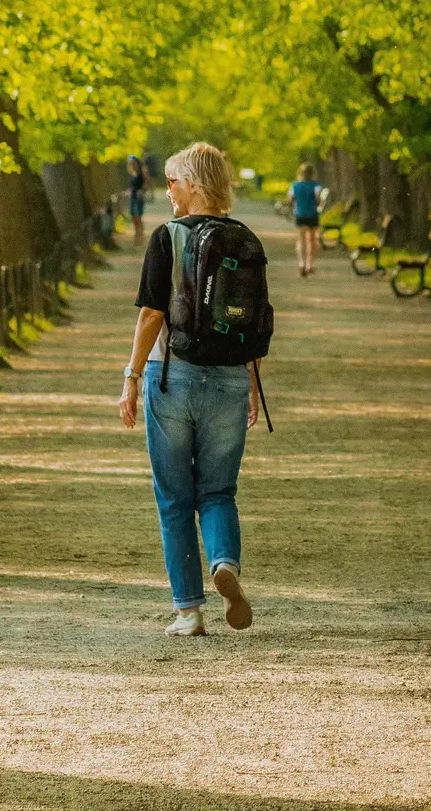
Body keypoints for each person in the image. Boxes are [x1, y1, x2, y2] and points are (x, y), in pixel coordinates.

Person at [119, 142, 268, 636]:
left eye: (173, 180)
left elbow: (151, 315)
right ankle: (225, 562)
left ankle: (188, 610)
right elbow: (252, 323)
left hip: (174, 377)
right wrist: (248, 381)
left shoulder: (168, 237)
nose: (168, 190)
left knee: (174, 499)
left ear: (195, 185)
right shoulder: (244, 239)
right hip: (227, 380)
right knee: (219, 491)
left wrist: (132, 377)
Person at [286, 163, 324, 277]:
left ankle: (301, 263)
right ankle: (309, 264)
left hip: (300, 214)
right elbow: (318, 201)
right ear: (312, 174)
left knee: (301, 240)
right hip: (312, 215)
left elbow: (291, 199)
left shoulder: (295, 186)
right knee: (312, 240)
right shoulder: (316, 186)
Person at [125, 155, 149, 240]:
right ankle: (136, 235)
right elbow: (131, 186)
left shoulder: (141, 173)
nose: (132, 164)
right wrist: (128, 191)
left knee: (138, 216)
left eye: (133, 163)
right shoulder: (131, 173)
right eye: (130, 163)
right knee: (133, 217)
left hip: (139, 197)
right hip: (132, 196)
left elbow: (146, 184)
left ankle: (140, 235)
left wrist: (142, 190)